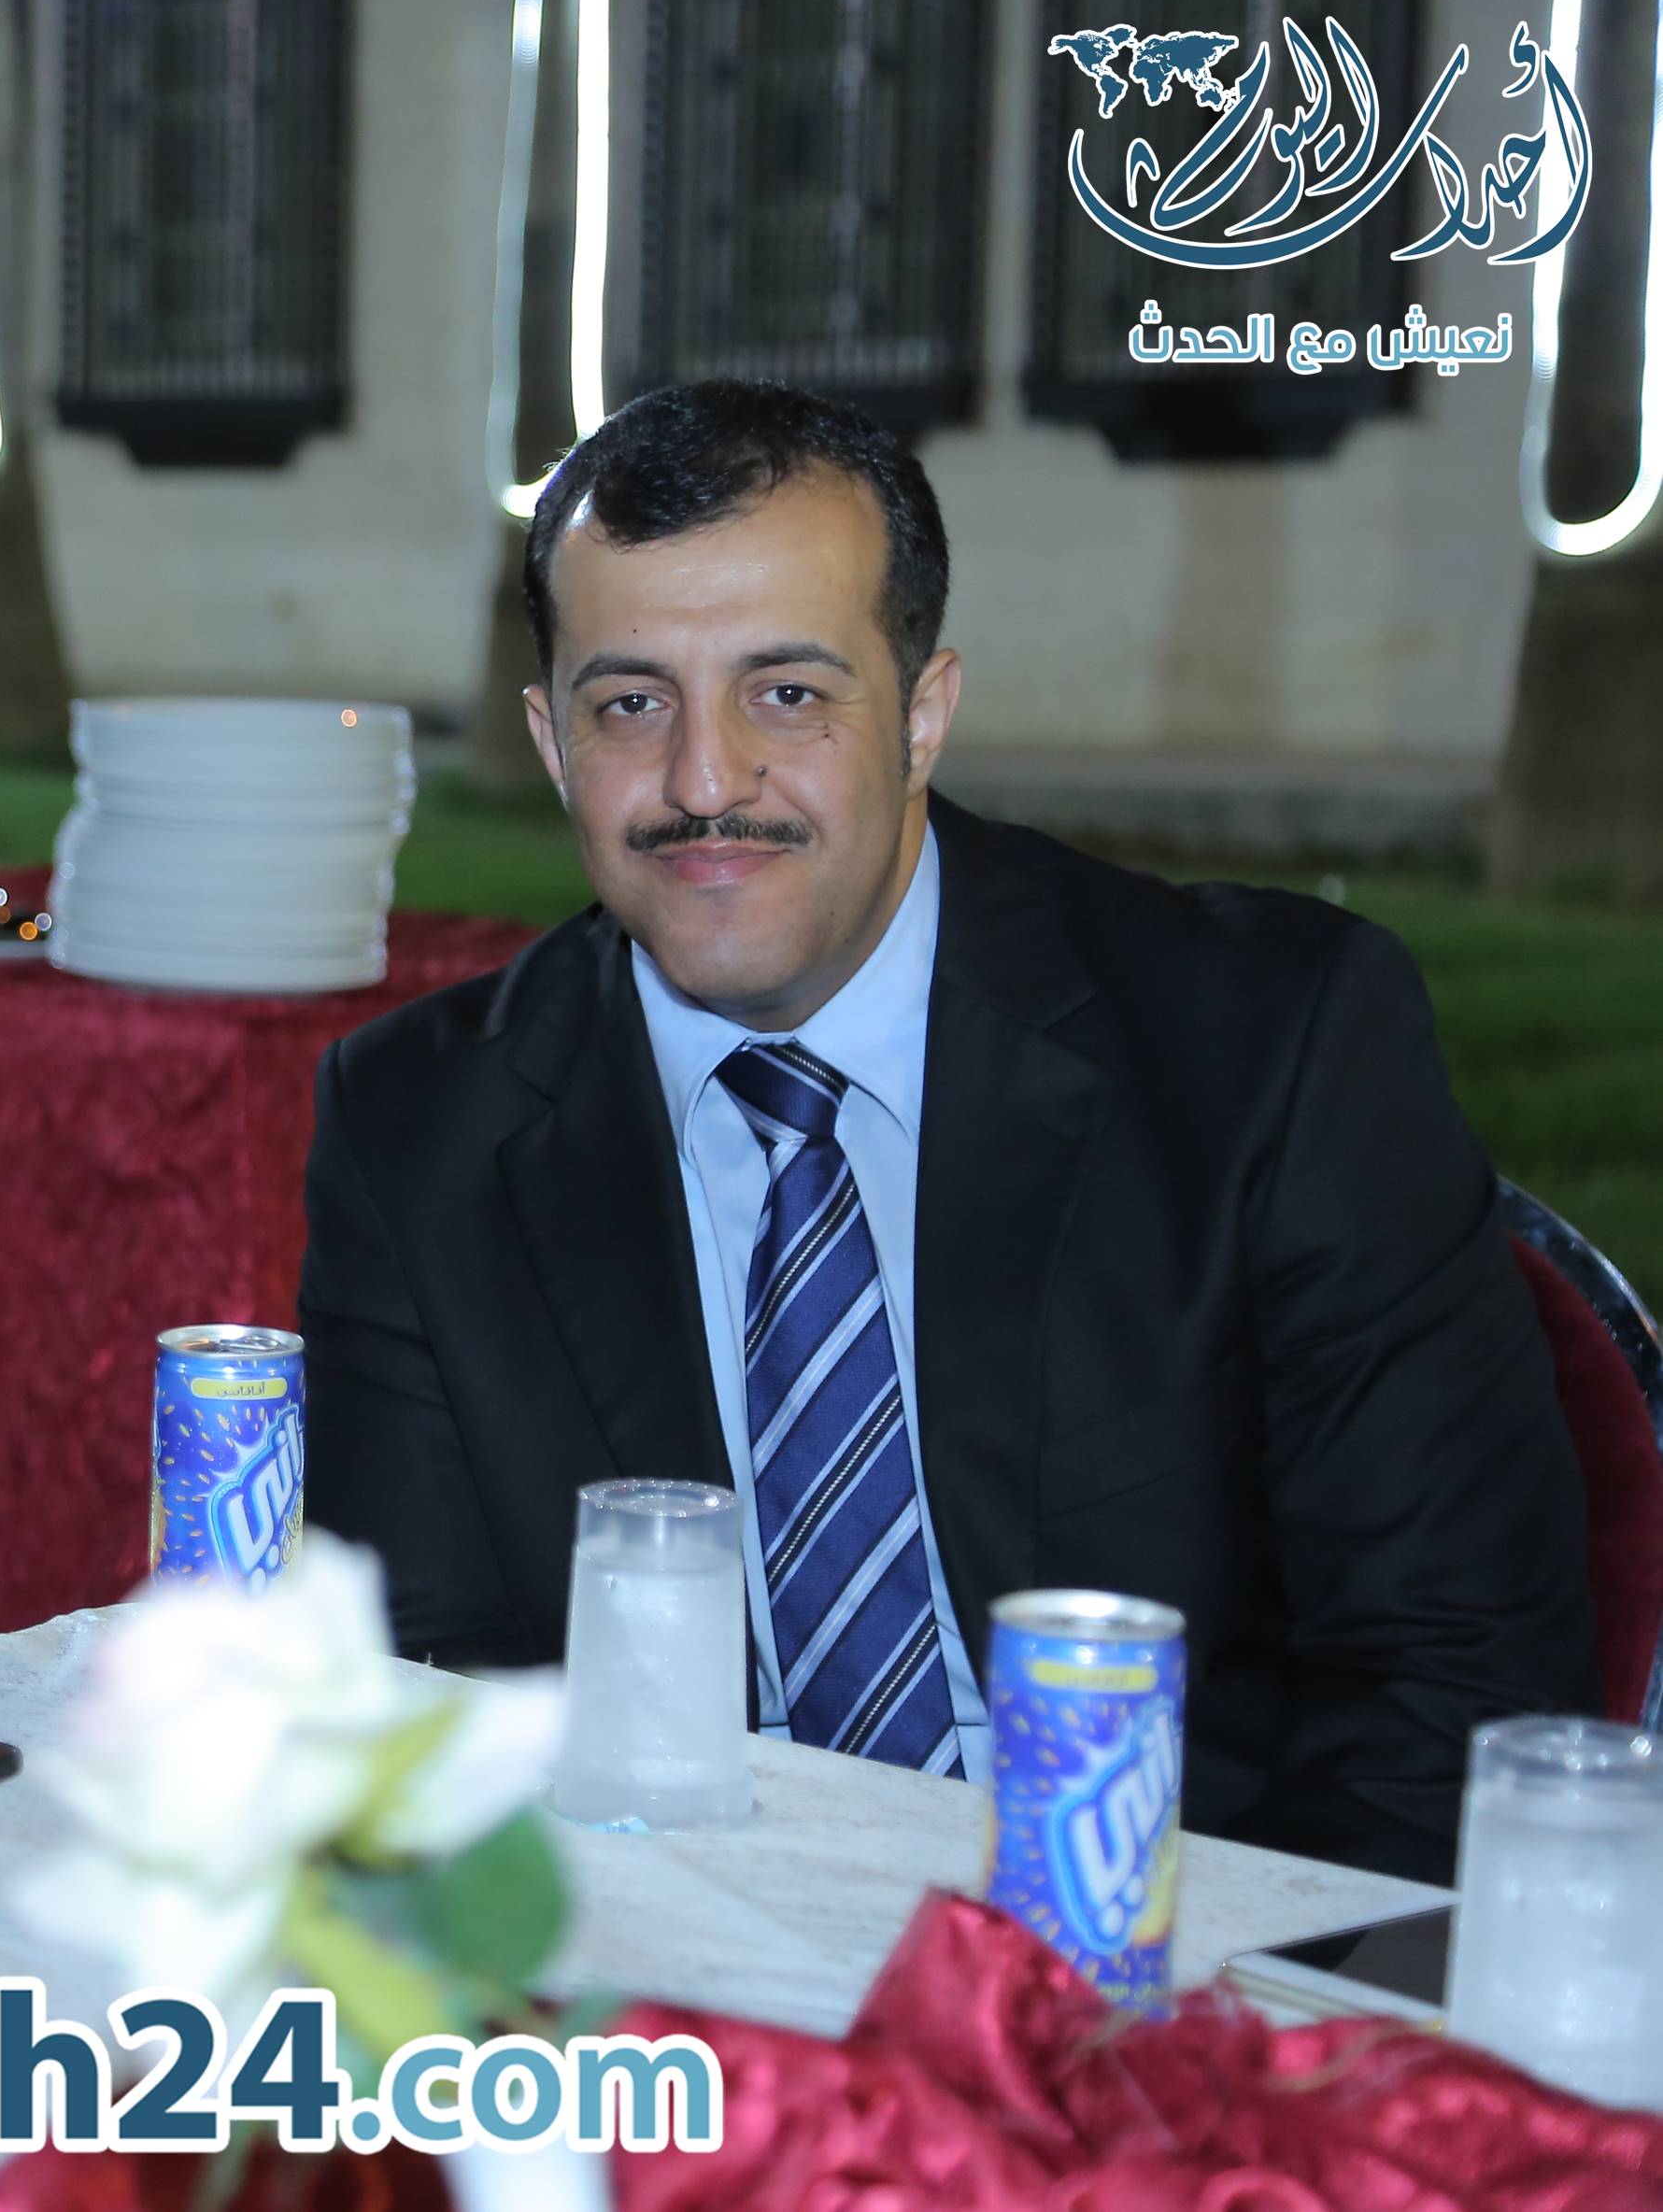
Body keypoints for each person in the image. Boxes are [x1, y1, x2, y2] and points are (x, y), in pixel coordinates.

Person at [299, 378, 1593, 1885]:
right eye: (629, 703)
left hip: (1172, 1942)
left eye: (788, 694)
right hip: (670, 1947)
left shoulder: (1263, 1051)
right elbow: (426, 1699)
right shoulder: (421, 1126)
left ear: (921, 715)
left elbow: (1450, 1684)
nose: (704, 781)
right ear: (549, 740)